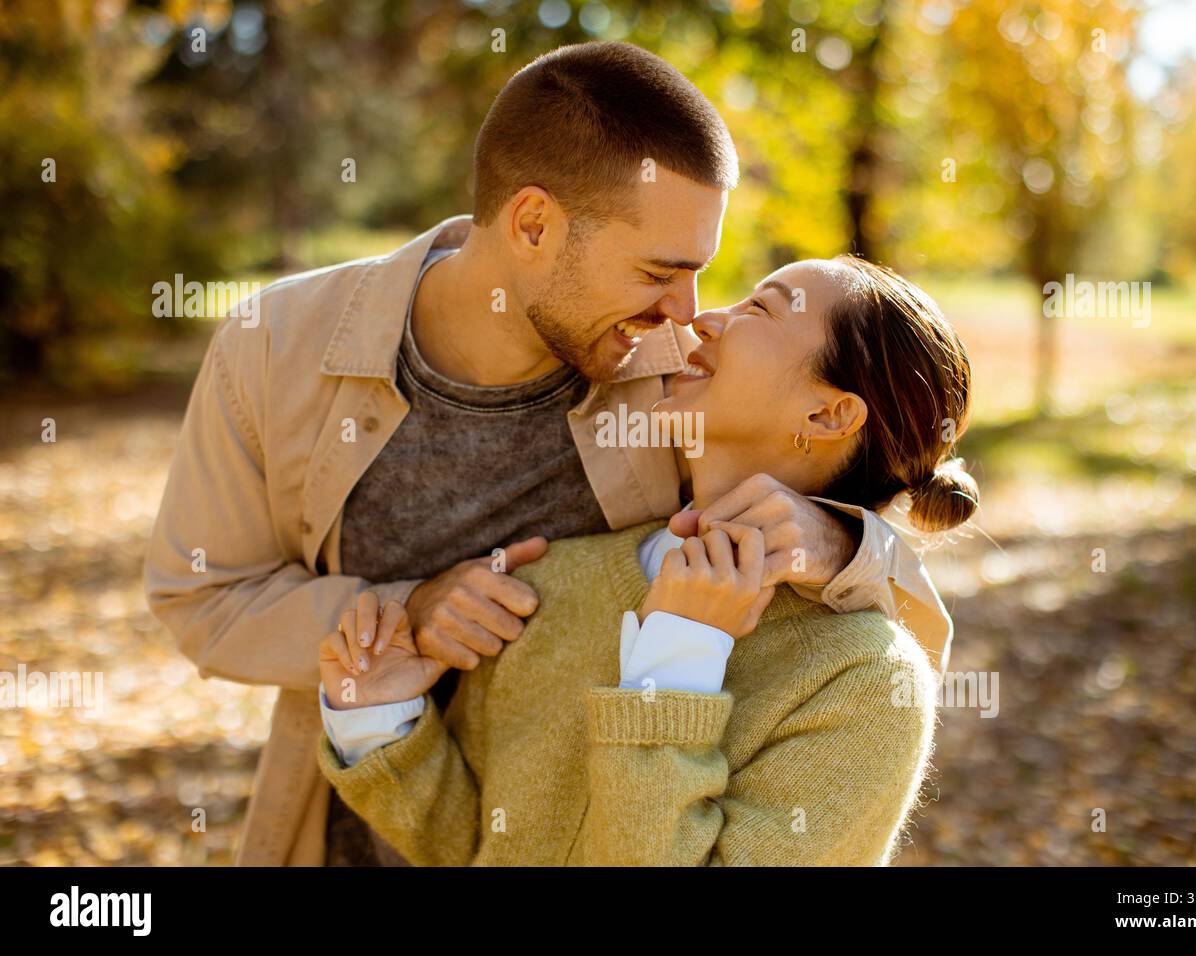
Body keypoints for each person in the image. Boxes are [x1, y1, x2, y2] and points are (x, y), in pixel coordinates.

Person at [145, 41, 952, 866]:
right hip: (358, 813)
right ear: (533, 224)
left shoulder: (678, 380)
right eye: (657, 271)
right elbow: (202, 597)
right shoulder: (275, 344)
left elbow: (876, 552)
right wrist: (406, 614)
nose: (686, 314)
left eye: (703, 274)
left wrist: (837, 537)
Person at [316, 255, 977, 865]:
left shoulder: (864, 684)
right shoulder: (550, 583)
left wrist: (680, 655)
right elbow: (474, 849)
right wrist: (380, 721)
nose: (704, 319)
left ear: (830, 413)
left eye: (761, 311)